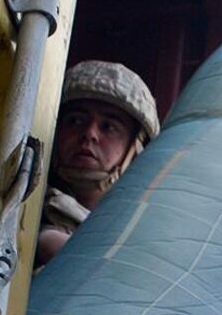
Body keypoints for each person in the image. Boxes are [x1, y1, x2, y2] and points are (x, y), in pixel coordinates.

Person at [37, 60, 160, 266]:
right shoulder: (23, 203)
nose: (89, 134)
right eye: (76, 120)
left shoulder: (144, 228)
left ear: (135, 150)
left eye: (108, 127)